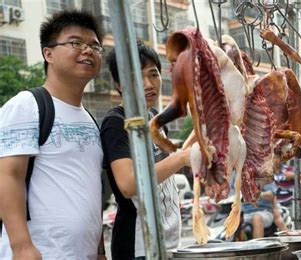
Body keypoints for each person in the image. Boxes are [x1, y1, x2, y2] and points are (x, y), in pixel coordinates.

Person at [0, 10, 105, 259]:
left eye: (94, 45)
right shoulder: (27, 105)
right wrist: (22, 246)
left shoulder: (89, 119)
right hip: (40, 253)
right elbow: (7, 175)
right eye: (75, 42)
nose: (88, 50)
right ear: (48, 54)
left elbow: (92, 188)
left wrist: (100, 250)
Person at [101, 43, 191, 258]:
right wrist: (181, 158)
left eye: (153, 74)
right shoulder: (116, 123)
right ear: (119, 84)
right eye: (136, 78)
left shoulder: (156, 119)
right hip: (137, 247)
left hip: (168, 242)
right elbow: (128, 185)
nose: (148, 84)